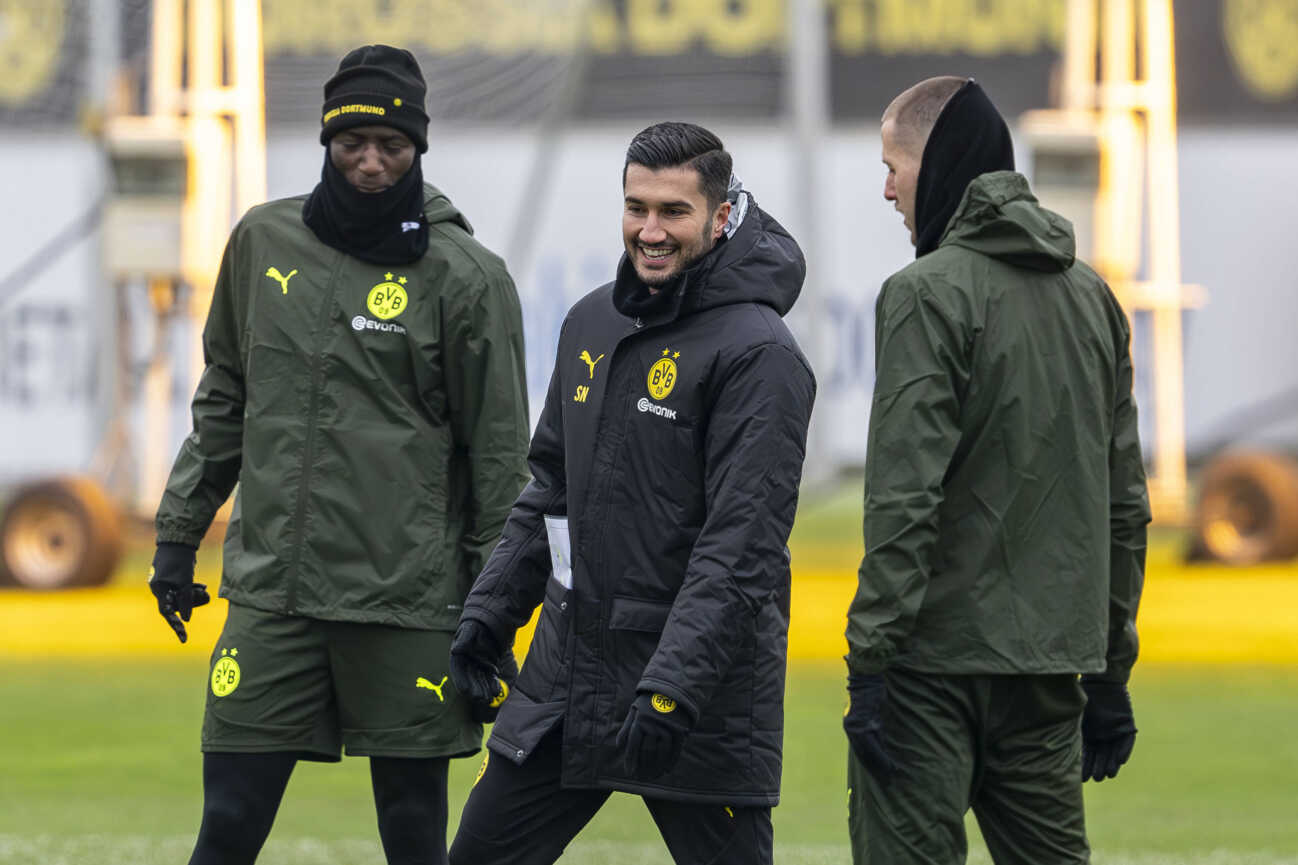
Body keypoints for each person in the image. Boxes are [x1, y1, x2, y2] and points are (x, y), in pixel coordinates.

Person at [147, 44, 530, 865]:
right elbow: (225, 399)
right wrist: (179, 534)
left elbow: (499, 459)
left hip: (408, 605)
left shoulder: (466, 276)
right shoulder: (261, 240)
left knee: (413, 830)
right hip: (273, 599)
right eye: (352, 142)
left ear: (418, 149)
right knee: (228, 823)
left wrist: (495, 614)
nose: (369, 162)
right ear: (326, 139)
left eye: (391, 146)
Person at [444, 122, 816, 865]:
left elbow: (740, 547)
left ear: (720, 215)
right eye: (635, 207)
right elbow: (551, 487)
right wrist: (487, 617)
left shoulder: (760, 353)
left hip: (696, 693)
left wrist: (672, 687)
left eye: (673, 212)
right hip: (570, 670)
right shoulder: (590, 321)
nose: (650, 231)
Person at [842, 77, 1150, 865]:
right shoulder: (1093, 299)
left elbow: (904, 497)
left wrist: (870, 662)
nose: (886, 189)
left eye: (894, 166)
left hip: (929, 670)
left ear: (937, 164)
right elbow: (1124, 503)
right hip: (1049, 671)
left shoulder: (924, 293)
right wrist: (1110, 671)